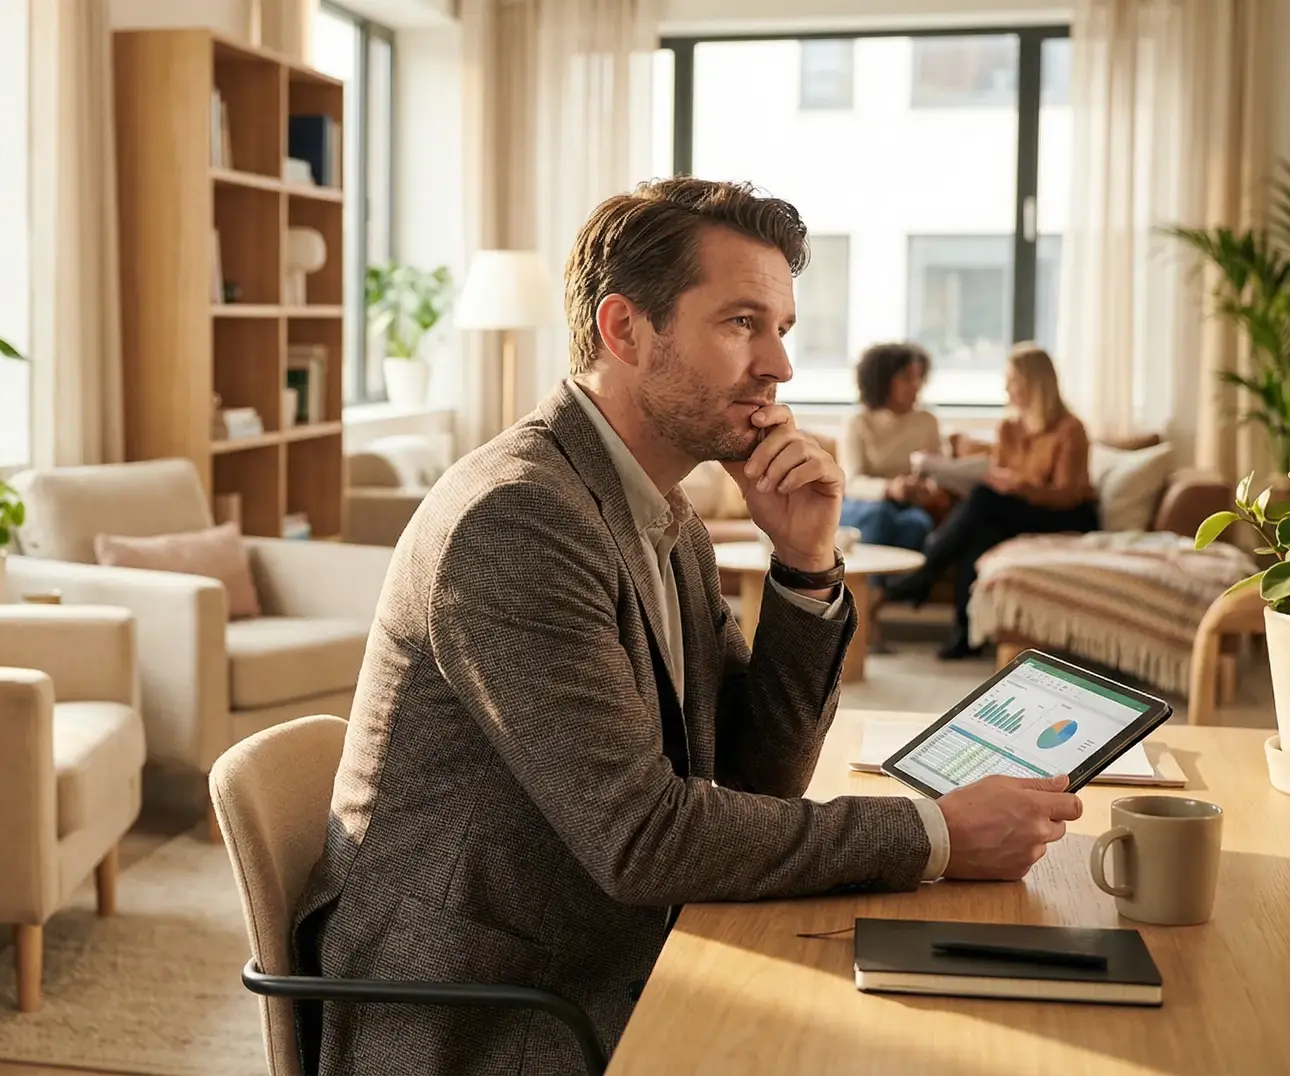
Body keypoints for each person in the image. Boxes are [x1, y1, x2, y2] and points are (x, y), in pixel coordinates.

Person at [290, 178, 1083, 1075]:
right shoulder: (516, 519)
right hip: (493, 1008)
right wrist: (934, 834)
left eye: (781, 327)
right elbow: (643, 838)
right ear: (625, 330)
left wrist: (803, 565)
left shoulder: (662, 512)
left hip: (611, 942)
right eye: (742, 322)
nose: (780, 364)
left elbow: (755, 778)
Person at [882, 344, 1100, 659]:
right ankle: (966, 634)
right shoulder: (1009, 427)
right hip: (1018, 510)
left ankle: (924, 573)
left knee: (984, 500)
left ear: (1033, 383)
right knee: (980, 534)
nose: (1005, 387)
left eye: (1011, 379)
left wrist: (1021, 485)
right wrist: (1004, 482)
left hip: (1067, 514)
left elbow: (1068, 494)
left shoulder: (1070, 429)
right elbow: (998, 473)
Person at [837, 342, 949, 550]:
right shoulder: (858, 422)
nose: (916, 385)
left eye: (919, 377)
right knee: (879, 515)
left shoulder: (927, 421)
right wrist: (890, 489)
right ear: (883, 381)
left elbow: (941, 472)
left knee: (917, 523)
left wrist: (925, 489)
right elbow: (850, 483)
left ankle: (899, 584)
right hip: (861, 503)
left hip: (906, 505)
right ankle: (871, 582)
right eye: (907, 378)